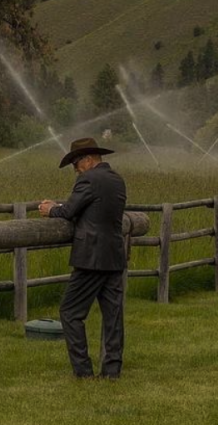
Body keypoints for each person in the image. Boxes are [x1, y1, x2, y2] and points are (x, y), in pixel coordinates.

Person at [38, 137, 127, 379]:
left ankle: (83, 371)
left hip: (90, 257)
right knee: (113, 316)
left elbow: (69, 212)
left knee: (70, 312)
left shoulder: (88, 179)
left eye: (76, 163)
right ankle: (111, 371)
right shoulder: (117, 180)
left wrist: (51, 209)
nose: (75, 169)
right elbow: (94, 211)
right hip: (114, 256)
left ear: (88, 159)